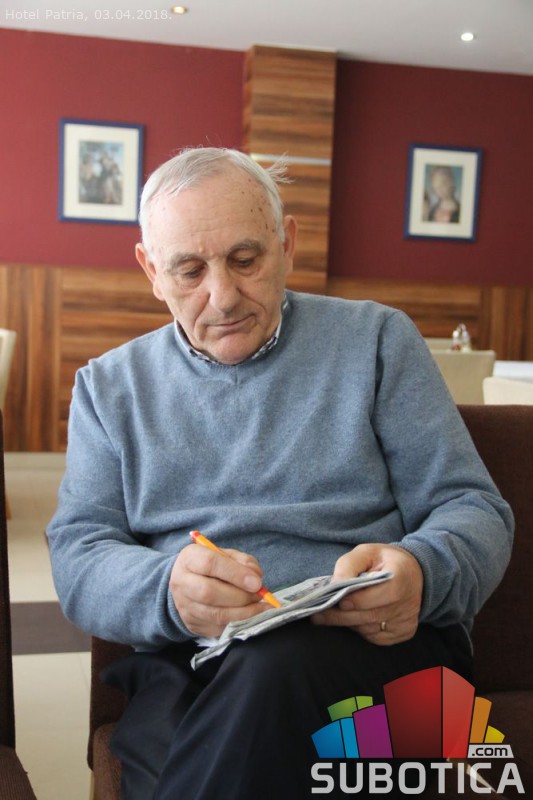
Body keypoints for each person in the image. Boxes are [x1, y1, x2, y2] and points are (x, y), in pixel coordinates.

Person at [47, 147, 513, 800]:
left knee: (261, 684)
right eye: (189, 270)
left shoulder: (377, 341)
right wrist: (168, 591)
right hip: (194, 659)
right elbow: (78, 555)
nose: (222, 297)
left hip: (377, 649)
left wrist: (422, 570)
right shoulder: (109, 388)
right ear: (151, 270)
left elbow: (473, 507)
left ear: (286, 243)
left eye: (245, 260)